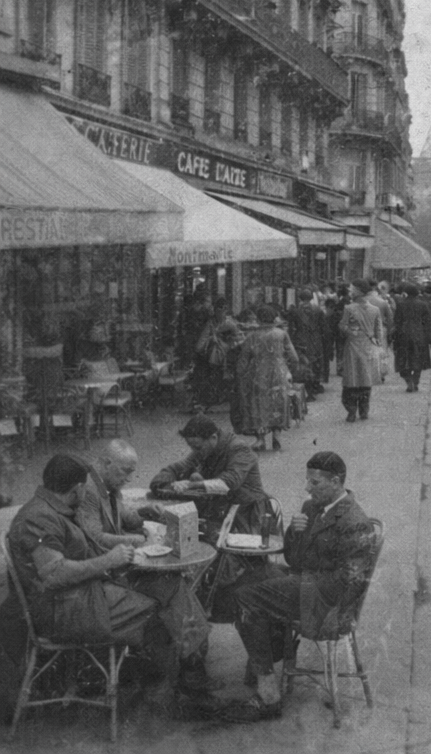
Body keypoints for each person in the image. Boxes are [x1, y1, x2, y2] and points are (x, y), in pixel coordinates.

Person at [6, 455, 213, 695]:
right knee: (162, 608)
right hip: (64, 610)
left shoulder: (52, 508)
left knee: (168, 585)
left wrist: (115, 560)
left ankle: (187, 669)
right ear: (78, 489)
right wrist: (108, 560)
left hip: (77, 597)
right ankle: (187, 682)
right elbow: (54, 573)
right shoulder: (39, 518)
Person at [226, 452, 376, 721]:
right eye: (307, 480)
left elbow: (352, 583)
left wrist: (296, 584)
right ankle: (268, 653)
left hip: (328, 602)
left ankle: (268, 692)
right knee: (250, 577)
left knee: (247, 597)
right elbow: (293, 559)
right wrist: (295, 533)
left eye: (315, 482)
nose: (307, 488)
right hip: (310, 583)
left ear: (336, 482)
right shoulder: (312, 508)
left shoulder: (354, 521)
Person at [234, 305, 301, 451]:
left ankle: (260, 439)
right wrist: (292, 371)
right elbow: (294, 357)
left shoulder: (252, 336)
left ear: (258, 319)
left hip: (258, 374)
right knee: (278, 402)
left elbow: (243, 361)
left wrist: (240, 376)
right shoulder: (281, 334)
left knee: (259, 403)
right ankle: (277, 436)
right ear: (274, 318)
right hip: (279, 372)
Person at [338, 280, 385, 423]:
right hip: (369, 346)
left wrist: (352, 332)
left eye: (352, 290)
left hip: (353, 346)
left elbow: (342, 326)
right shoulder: (375, 309)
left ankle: (351, 411)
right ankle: (364, 411)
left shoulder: (349, 308)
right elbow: (379, 330)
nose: (351, 292)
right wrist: (377, 343)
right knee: (366, 378)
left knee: (352, 378)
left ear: (358, 291)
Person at [391, 282, 431, 393]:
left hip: (403, 335)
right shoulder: (423, 304)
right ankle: (415, 380)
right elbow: (429, 321)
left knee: (403, 359)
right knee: (418, 359)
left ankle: (408, 381)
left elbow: (397, 321)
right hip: (419, 335)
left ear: (406, 293)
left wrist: (394, 335)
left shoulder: (401, 304)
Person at [286, 289, 328, 397]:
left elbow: (291, 328)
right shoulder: (318, 310)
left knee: (303, 362)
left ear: (299, 298)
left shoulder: (295, 311)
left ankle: (305, 385)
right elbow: (324, 327)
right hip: (315, 338)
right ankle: (315, 384)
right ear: (311, 298)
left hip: (300, 338)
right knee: (315, 361)